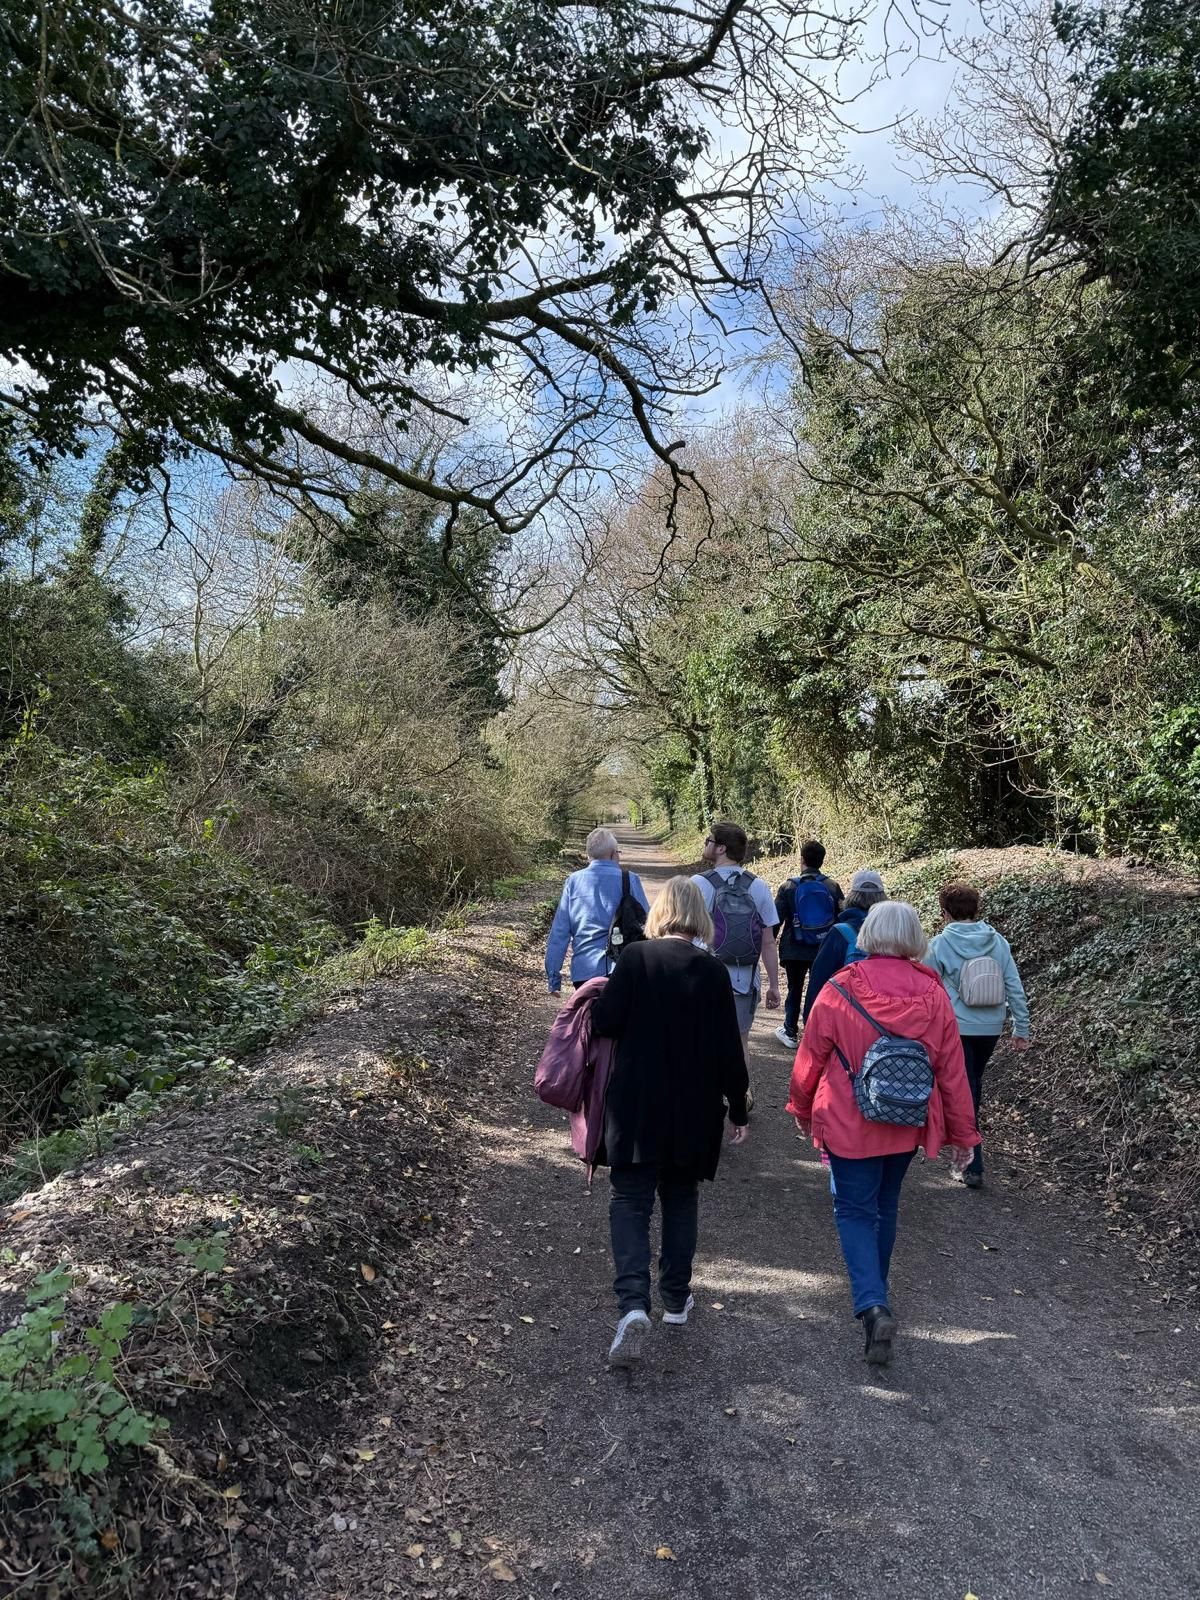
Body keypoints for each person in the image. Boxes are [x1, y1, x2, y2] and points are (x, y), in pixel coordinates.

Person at [787, 901, 979, 1366]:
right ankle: (877, 1296)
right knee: (885, 1205)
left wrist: (802, 1105)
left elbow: (810, 1056)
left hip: (849, 1119)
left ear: (869, 934)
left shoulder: (840, 988)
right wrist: (963, 1135)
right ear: (915, 939)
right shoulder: (934, 996)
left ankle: (874, 1305)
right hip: (905, 1120)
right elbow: (953, 1071)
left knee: (853, 1210)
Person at [591, 877, 749, 1368]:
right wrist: (739, 1110)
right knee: (681, 1198)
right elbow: (729, 1049)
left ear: (659, 912)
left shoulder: (635, 959)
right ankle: (676, 1301)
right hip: (695, 1107)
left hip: (636, 1103)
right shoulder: (713, 971)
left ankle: (633, 1306)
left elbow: (605, 1023)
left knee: (630, 1201)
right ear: (700, 917)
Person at [927, 883, 1030, 1189]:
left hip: (956, 1026)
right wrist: (1020, 1028)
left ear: (944, 913)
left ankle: (972, 1164)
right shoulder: (997, 941)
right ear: (977, 910)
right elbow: (1013, 985)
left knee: (965, 1091)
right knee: (972, 1087)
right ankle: (967, 1155)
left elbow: (925, 988)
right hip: (990, 1027)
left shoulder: (939, 944)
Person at [690, 822, 781, 1100]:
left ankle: (705, 1095)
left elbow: (681, 936)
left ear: (720, 848)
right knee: (740, 1039)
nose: (705, 844)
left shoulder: (698, 885)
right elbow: (768, 941)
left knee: (700, 1039)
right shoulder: (759, 886)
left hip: (702, 974)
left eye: (709, 840)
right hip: (744, 976)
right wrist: (774, 985)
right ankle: (740, 1095)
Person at [545, 828, 650, 995]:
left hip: (585, 971)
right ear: (614, 854)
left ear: (588, 856)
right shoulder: (630, 879)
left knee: (589, 1018)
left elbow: (560, 932)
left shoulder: (573, 882)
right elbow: (649, 925)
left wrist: (553, 978)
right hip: (624, 968)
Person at [773, 840, 843, 1049]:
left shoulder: (789, 886)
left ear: (802, 859)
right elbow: (840, 918)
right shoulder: (832, 886)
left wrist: (767, 943)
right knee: (819, 989)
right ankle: (815, 1033)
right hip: (822, 948)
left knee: (795, 988)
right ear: (822, 860)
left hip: (794, 947)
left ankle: (790, 1031)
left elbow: (776, 919)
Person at [801, 869, 887, 1025]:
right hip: (885, 1022)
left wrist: (810, 1021)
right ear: (883, 898)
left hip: (848, 1021)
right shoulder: (894, 934)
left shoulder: (840, 933)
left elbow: (819, 980)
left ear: (852, 896)